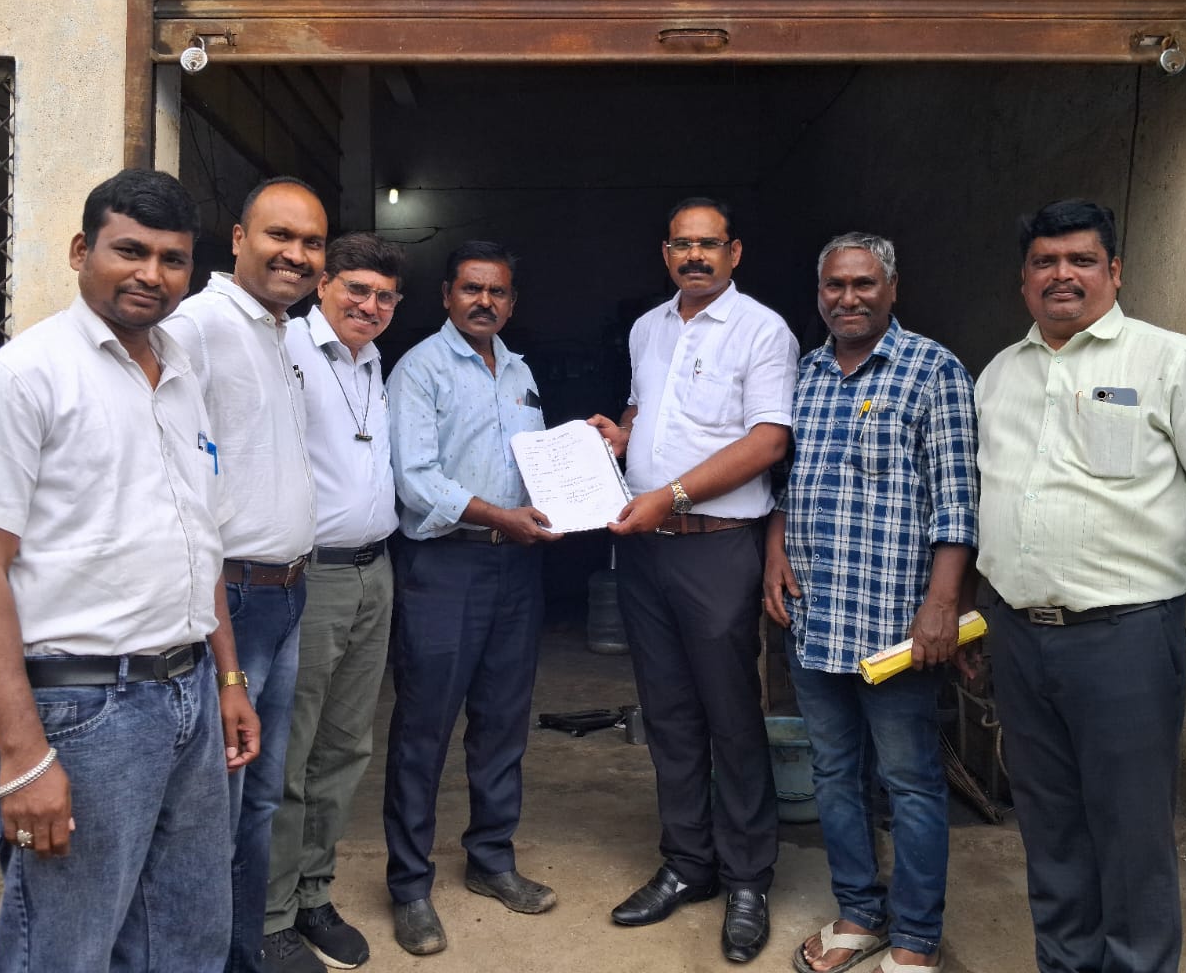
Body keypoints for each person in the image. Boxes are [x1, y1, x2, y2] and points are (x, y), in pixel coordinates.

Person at [0, 169, 251, 971]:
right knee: (65, 950)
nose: (151, 274)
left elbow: (199, 539)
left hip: (186, 696)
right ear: (82, 251)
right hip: (86, 712)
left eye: (172, 260)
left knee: (187, 937)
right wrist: (23, 755)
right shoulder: (24, 378)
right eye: (129, 251)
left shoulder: (181, 375)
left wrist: (227, 678)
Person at [975, 199, 1186, 973]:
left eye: (1081, 260)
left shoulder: (1169, 361)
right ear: (1024, 278)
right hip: (1018, 637)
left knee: (1131, 839)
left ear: (1115, 271)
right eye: (1044, 261)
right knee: (1050, 833)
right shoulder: (999, 375)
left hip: (1124, 641)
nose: (1062, 274)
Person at [589, 196, 798, 964]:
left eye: (709, 244)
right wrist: (620, 436)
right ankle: (688, 863)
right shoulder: (648, 328)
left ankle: (747, 878)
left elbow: (768, 441)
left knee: (731, 716)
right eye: (682, 245)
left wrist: (670, 495)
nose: (695, 256)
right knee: (669, 714)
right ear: (666, 253)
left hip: (717, 548)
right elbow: (645, 410)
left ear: (734, 252)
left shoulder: (763, 330)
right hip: (646, 551)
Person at [765, 233, 977, 973]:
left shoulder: (933, 369)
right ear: (819, 293)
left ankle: (915, 938)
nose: (848, 298)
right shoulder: (806, 373)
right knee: (832, 773)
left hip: (896, 626)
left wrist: (943, 604)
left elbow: (958, 501)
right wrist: (775, 552)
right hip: (816, 616)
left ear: (891, 289)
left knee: (909, 780)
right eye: (835, 286)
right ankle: (858, 913)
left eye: (862, 284)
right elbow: (788, 484)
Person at [163, 176, 327, 973]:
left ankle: (243, 951)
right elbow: (176, 487)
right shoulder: (197, 327)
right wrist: (225, 660)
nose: (296, 254)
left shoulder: (278, 332)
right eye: (279, 236)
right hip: (232, 601)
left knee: (259, 796)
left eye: (311, 243)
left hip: (287, 593)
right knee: (217, 807)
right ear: (238, 239)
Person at [383, 240, 562, 956]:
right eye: (471, 289)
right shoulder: (419, 368)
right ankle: (409, 885)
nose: (484, 301)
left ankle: (491, 859)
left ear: (512, 302)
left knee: (502, 721)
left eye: (498, 291)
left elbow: (536, 463)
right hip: (445, 566)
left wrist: (582, 459)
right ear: (447, 296)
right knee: (423, 728)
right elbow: (415, 478)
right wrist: (499, 517)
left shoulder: (519, 371)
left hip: (515, 569)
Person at [264, 233, 407, 971]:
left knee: (347, 746)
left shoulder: (372, 361)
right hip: (310, 577)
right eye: (356, 289)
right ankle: (271, 914)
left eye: (385, 297)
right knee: (291, 750)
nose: (370, 306)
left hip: (374, 571)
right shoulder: (286, 348)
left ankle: (314, 893)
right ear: (322, 285)